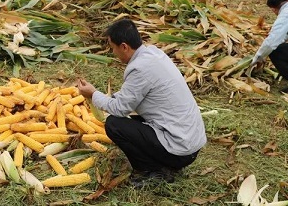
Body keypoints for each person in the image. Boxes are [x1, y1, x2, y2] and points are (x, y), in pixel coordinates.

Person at [77, 19, 206, 188]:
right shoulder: (153, 53)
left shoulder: (140, 68)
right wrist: (106, 97)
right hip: (190, 143)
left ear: (124, 46)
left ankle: (154, 171)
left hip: (180, 150)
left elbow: (119, 109)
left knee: (114, 125)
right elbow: (130, 98)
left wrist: (93, 94)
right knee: (129, 120)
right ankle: (161, 161)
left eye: (113, 47)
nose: (113, 52)